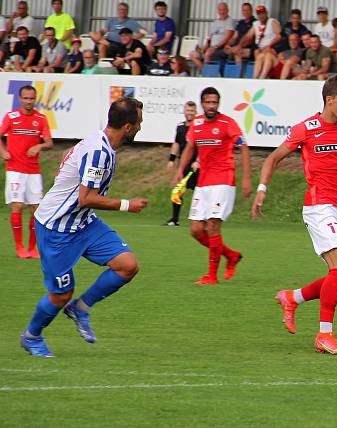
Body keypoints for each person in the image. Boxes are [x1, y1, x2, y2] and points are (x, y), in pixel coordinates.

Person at [252, 75, 337, 354]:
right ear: (329, 100)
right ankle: (324, 335)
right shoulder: (306, 129)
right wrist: (262, 189)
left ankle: (292, 298)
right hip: (318, 206)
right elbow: (273, 159)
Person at [20, 97, 147, 357]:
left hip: (83, 222)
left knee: (127, 265)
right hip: (57, 228)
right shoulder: (98, 152)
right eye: (139, 122)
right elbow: (86, 197)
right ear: (127, 127)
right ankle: (31, 337)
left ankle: (81, 308)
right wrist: (126, 205)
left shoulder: (100, 142)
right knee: (61, 294)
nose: (141, 127)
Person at [171, 87, 251, 285]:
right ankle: (231, 256)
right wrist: (180, 171)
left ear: (219, 104)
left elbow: (243, 146)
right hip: (203, 182)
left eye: (215, 102)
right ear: (202, 104)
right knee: (196, 230)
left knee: (213, 225)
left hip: (224, 180)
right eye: (208, 102)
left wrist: (247, 178)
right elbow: (190, 148)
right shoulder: (196, 123)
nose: (211, 106)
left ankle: (211, 276)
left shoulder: (227, 123)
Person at [0, 85, 53, 259]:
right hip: (15, 168)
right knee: (18, 205)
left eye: (32, 98)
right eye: (26, 98)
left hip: (33, 170)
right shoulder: (11, 117)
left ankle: (32, 248)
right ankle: (19, 247)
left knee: (36, 210)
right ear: (20, 99)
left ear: (35, 99)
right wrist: (3, 151)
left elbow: (49, 142)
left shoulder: (41, 118)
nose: (29, 101)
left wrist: (39, 145)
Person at [164, 101, 198, 226]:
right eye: (188, 110)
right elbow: (177, 143)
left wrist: (197, 161)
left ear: (195, 112)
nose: (190, 113)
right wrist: (171, 160)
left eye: (192, 111)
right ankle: (174, 219)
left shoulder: (199, 126)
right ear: (184, 111)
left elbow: (202, 146)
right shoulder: (180, 127)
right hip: (183, 166)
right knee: (177, 192)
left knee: (199, 193)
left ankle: (199, 218)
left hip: (196, 166)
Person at [189, 2, 235, 73]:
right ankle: (205, 72)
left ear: (227, 10)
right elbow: (209, 38)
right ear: (218, 10)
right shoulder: (216, 22)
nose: (222, 12)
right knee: (192, 54)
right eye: (220, 10)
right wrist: (203, 49)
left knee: (208, 54)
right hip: (211, 48)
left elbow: (227, 37)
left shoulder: (230, 21)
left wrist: (215, 47)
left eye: (223, 10)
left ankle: (206, 76)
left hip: (221, 48)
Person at [243, 6, 282, 78]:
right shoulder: (256, 23)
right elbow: (247, 37)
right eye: (259, 14)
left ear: (266, 13)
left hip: (272, 48)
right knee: (259, 56)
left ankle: (262, 78)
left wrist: (269, 46)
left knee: (265, 55)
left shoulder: (272, 22)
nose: (261, 15)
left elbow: (279, 36)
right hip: (259, 49)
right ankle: (255, 78)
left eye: (262, 13)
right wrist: (238, 47)